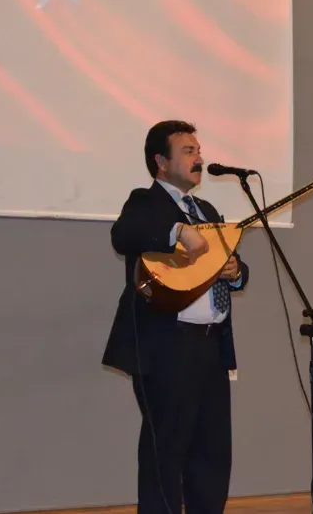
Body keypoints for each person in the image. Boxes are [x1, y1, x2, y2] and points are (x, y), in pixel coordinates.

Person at [102, 120, 250, 514]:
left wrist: (235, 271)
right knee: (165, 451)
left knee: (212, 452)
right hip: (168, 348)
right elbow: (124, 234)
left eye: (198, 150)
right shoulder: (144, 202)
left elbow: (232, 265)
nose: (199, 158)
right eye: (188, 151)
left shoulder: (208, 210)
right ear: (161, 162)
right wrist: (178, 231)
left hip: (211, 347)